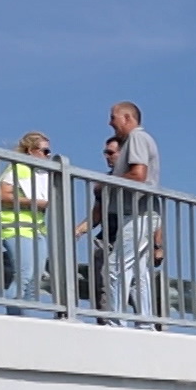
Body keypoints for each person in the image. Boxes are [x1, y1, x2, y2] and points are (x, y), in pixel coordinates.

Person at [104, 101, 162, 329]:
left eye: (113, 117)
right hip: (143, 213)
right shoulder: (138, 139)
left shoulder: (136, 138)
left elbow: (139, 174)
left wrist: (107, 181)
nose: (110, 123)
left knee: (115, 266)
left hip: (138, 214)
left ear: (127, 118)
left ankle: (116, 321)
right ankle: (145, 322)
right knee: (139, 272)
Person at [0, 132, 52, 316]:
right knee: (24, 275)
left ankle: (26, 319)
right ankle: (14, 318)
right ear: (30, 150)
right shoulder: (17, 168)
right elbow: (3, 195)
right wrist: (34, 202)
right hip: (17, 228)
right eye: (45, 151)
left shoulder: (41, 174)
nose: (48, 156)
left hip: (38, 230)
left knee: (35, 279)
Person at [74, 136, 121, 322]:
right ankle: (104, 324)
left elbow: (153, 213)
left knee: (132, 287)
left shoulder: (139, 179)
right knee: (101, 285)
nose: (107, 156)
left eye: (111, 153)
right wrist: (79, 230)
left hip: (129, 240)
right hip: (107, 239)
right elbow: (96, 215)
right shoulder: (102, 183)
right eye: (105, 153)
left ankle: (142, 325)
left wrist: (158, 246)